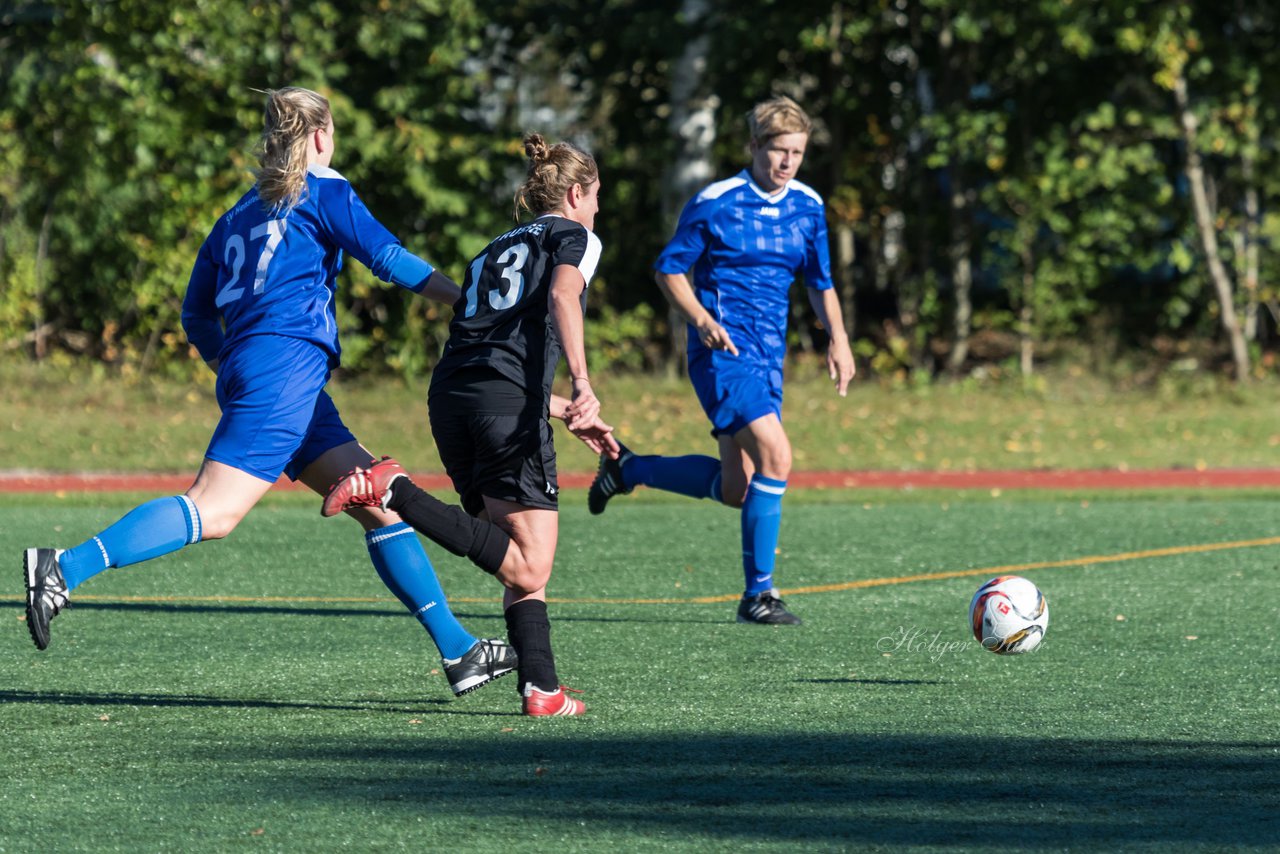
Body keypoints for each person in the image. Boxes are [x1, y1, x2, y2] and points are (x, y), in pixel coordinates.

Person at [22, 86, 516, 697]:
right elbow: (387, 257)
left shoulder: (237, 213)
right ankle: (63, 566)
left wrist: (228, 364)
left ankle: (461, 652)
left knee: (376, 501)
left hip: (266, 371)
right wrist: (465, 301)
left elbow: (195, 313)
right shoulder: (325, 188)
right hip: (284, 366)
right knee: (216, 509)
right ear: (320, 136)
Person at [323, 132, 617, 717]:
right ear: (578, 193)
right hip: (498, 404)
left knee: (516, 557)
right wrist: (584, 385)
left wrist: (554, 408)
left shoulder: (492, 248)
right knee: (530, 560)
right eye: (597, 196)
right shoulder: (575, 234)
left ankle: (542, 689)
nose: (599, 209)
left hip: (454, 397)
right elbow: (563, 296)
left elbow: (492, 345)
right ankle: (393, 488)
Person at [588, 95, 855, 625]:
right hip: (721, 356)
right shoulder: (716, 201)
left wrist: (839, 338)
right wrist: (701, 320)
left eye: (797, 153)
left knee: (738, 490)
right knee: (778, 457)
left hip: (769, 359)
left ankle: (627, 468)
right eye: (779, 151)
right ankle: (759, 595)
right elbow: (669, 270)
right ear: (755, 146)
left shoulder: (809, 206)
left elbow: (820, 281)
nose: (787, 163)